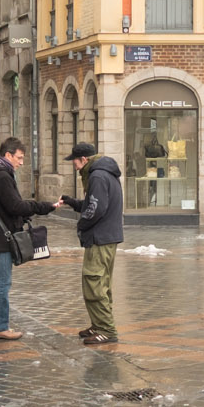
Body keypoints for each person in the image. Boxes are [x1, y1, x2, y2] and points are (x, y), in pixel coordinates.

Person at [0, 137, 61, 340]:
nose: (21, 162)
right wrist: (44, 206)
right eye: (19, 158)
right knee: (2, 283)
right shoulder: (2, 177)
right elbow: (16, 206)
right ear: (8, 155)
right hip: (2, 236)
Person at [61, 142, 123, 345]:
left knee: (94, 284)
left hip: (100, 239)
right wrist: (72, 202)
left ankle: (106, 329)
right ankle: (99, 324)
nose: (75, 166)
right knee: (100, 284)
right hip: (107, 237)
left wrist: (82, 225)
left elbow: (96, 209)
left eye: (76, 162)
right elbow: (92, 204)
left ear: (84, 160)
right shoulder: (105, 173)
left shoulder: (96, 176)